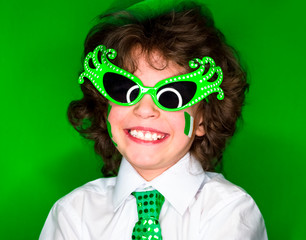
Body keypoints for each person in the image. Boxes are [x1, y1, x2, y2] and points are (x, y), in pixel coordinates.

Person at [40, 0, 268, 239]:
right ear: (103, 106)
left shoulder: (230, 212)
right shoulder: (74, 213)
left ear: (203, 121)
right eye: (124, 89)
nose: (145, 109)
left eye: (172, 95)